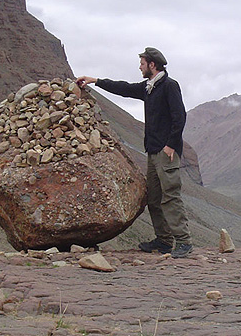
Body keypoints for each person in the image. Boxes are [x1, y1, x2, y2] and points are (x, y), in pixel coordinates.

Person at [76, 47, 193, 258]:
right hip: (153, 151)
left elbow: (179, 117)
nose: (139, 67)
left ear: (152, 65)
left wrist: (171, 145)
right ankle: (164, 241)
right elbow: (124, 88)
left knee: (170, 197)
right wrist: (95, 80)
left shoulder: (169, 86)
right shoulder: (149, 88)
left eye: (142, 63)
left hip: (166, 153)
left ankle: (184, 241)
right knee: (155, 199)